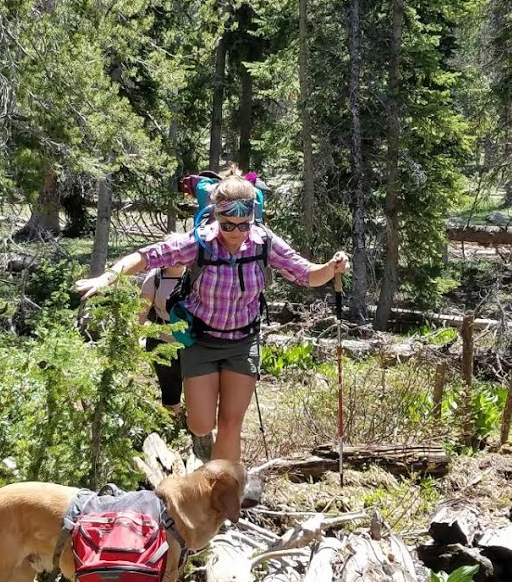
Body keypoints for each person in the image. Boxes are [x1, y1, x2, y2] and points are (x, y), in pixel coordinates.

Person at [77, 175, 349, 463]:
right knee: (201, 424)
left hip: (243, 341)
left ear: (252, 218)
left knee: (231, 425)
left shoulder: (264, 242)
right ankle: (204, 451)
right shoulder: (199, 242)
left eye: (243, 225)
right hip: (202, 341)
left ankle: (224, 494)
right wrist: (110, 276)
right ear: (217, 216)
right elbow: (147, 256)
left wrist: (332, 267)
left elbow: (307, 274)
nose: (235, 232)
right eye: (228, 224)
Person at [139, 263, 187, 422]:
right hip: (162, 338)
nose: (178, 259)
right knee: (169, 385)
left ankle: (196, 426)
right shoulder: (155, 277)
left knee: (196, 385)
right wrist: (136, 336)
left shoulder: (197, 273)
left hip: (192, 341)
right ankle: (173, 424)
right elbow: (141, 311)